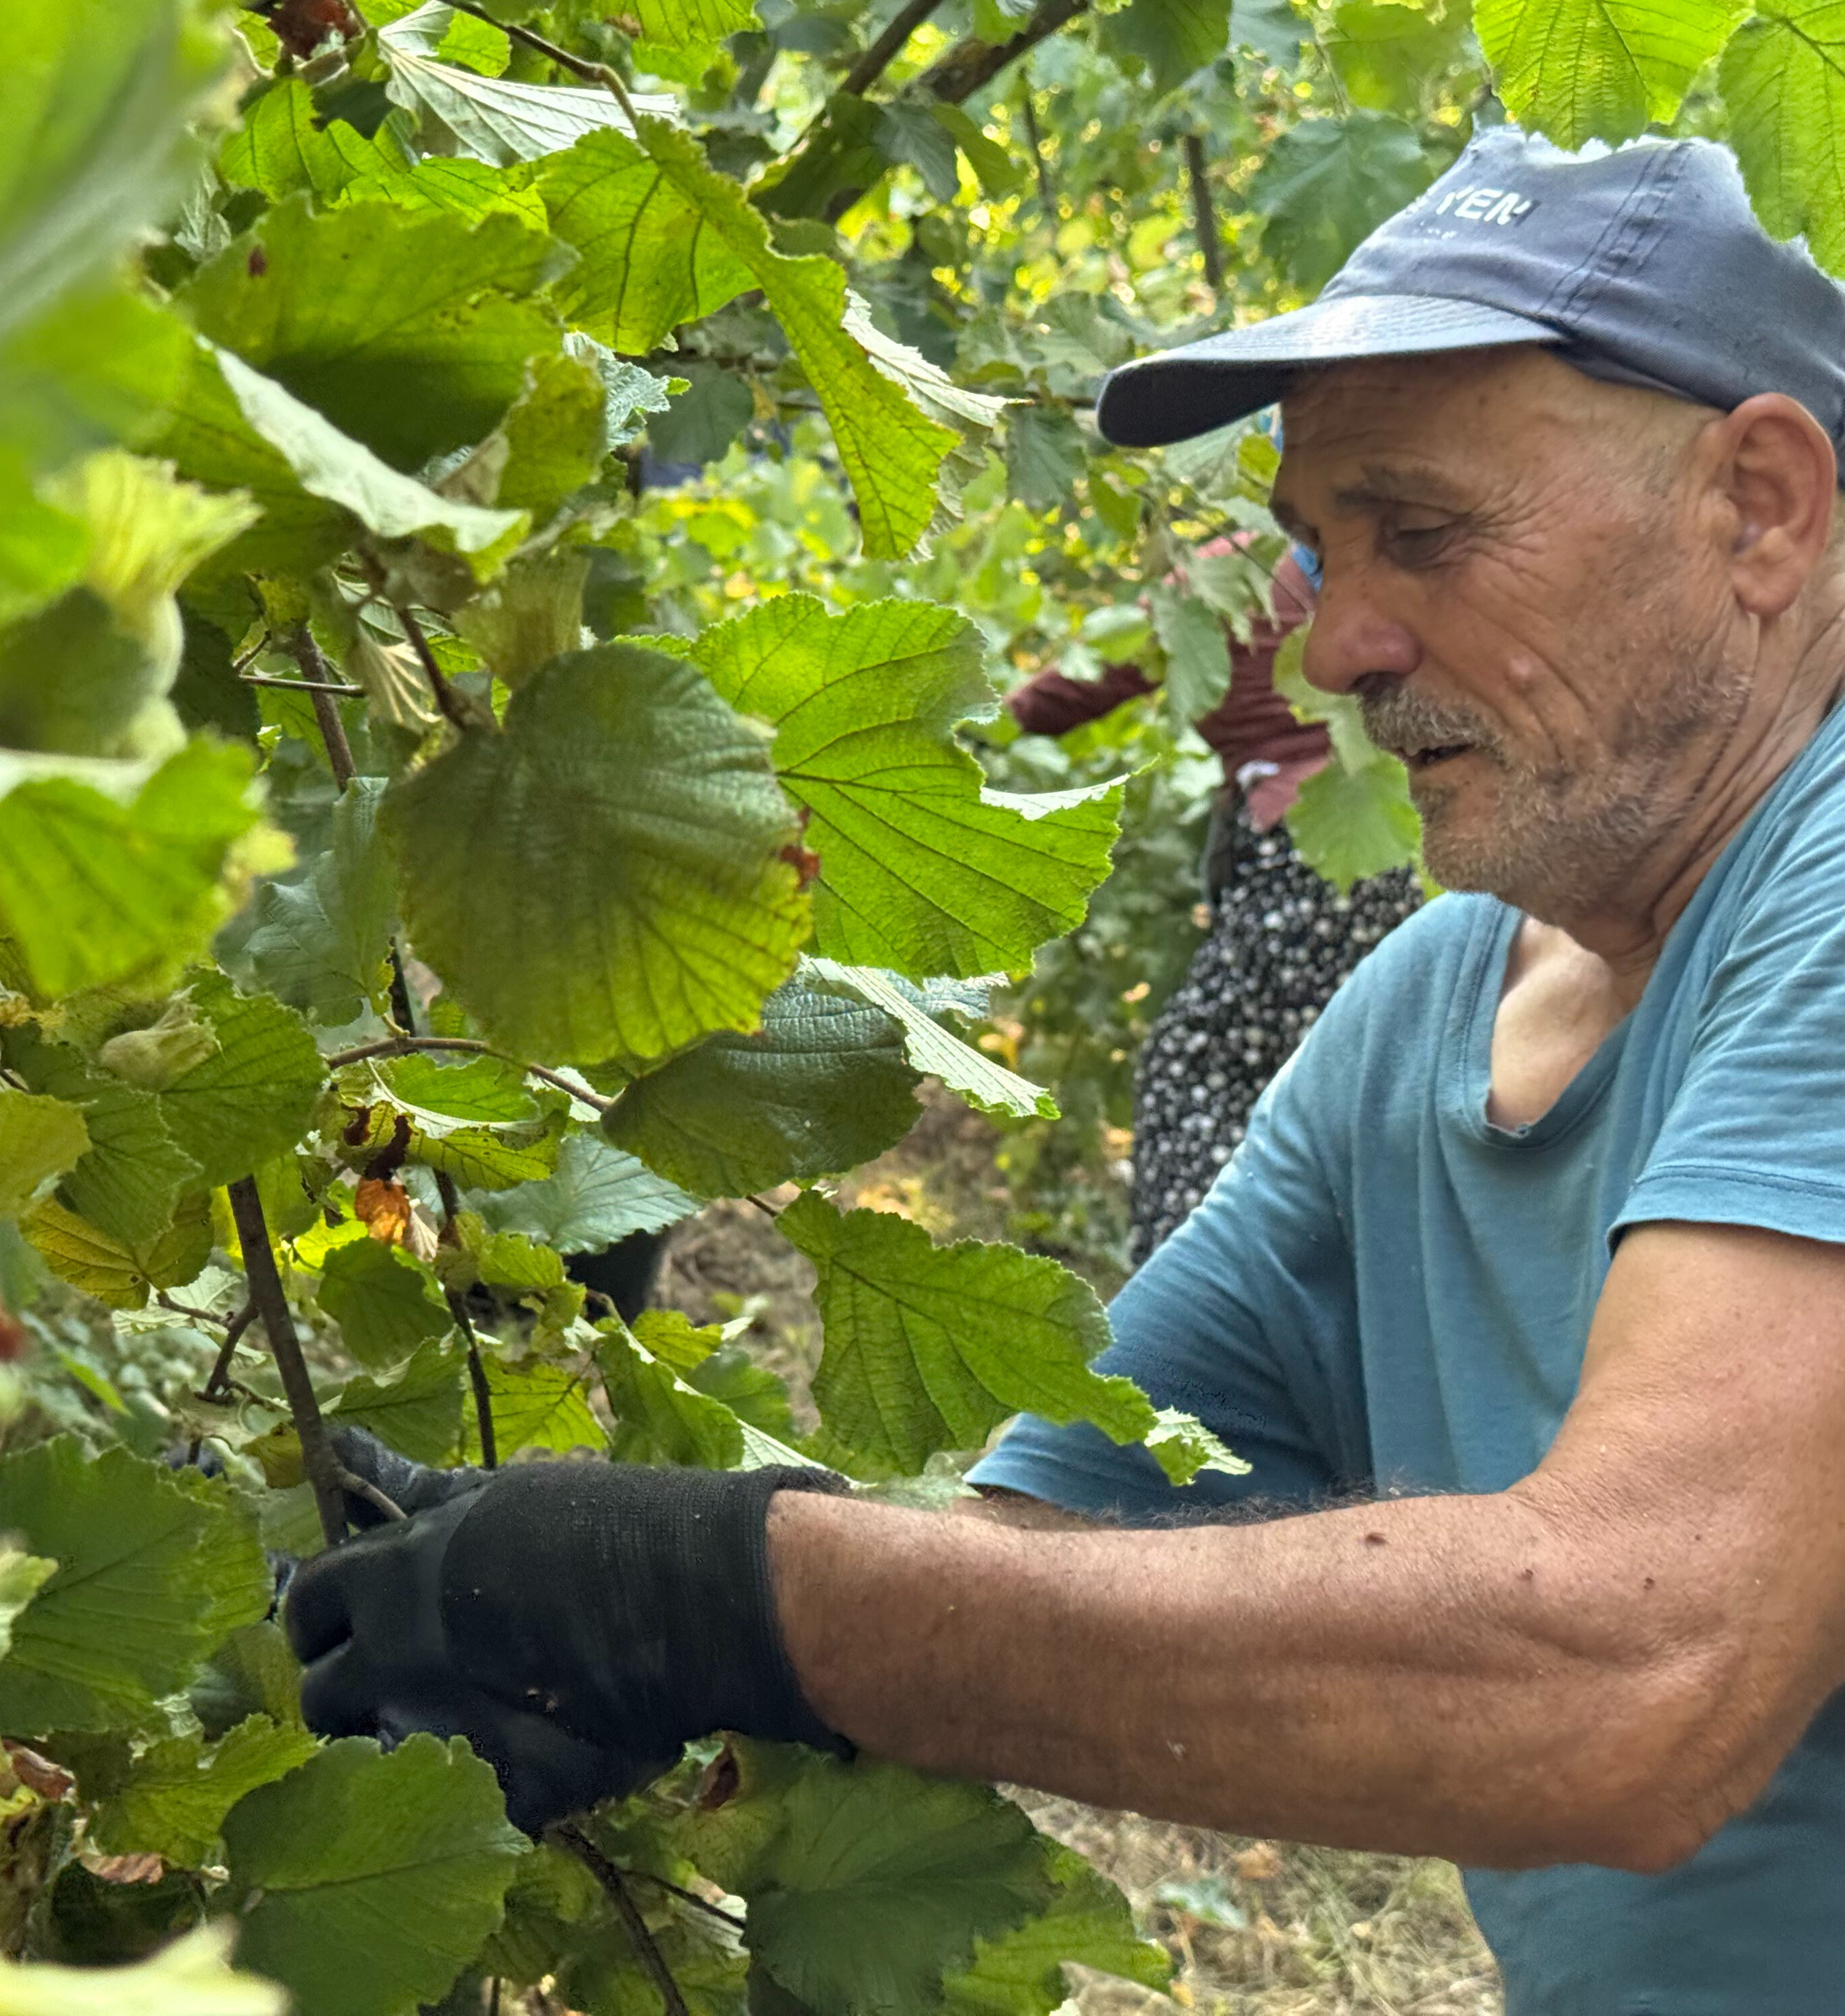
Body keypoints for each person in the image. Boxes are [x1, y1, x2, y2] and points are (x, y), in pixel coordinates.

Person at [284, 126, 1845, 2009]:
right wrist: (556, 1598)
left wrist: (718, 1593)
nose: (1337, 642)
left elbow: (1631, 1675)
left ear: (1760, 506)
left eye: (1423, 531)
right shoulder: (1424, 1015)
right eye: (1316, 548)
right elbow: (1033, 1561)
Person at [1008, 540, 1419, 1260]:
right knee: (1337, 1097)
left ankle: (1193, 1319)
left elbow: (1093, 678)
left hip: (1307, 850)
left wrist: (984, 717)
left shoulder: (1222, 574)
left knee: (1194, 1070)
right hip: (1384, 854)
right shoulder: (1358, 562)